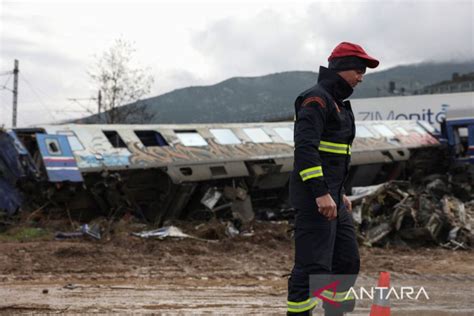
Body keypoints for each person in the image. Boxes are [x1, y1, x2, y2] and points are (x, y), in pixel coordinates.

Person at [287, 42, 379, 315]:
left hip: (333, 198)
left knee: (347, 262)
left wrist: (340, 194)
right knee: (312, 268)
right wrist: (321, 193)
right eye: (359, 70)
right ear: (341, 68)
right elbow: (305, 150)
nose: (361, 77)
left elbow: (335, 159)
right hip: (315, 199)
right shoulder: (316, 99)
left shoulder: (337, 102)